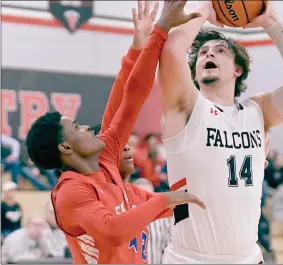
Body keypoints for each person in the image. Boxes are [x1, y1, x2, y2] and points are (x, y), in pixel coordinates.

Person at [25, 1, 205, 264]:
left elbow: (131, 97)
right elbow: (112, 231)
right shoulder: (71, 193)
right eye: (76, 128)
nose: (86, 126)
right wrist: (167, 199)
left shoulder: (107, 158)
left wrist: (152, 38)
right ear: (65, 147)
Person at [158, 0, 283, 263]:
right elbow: (173, 49)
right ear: (195, 73)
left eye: (219, 50)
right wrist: (206, 10)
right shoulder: (185, 108)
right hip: (189, 259)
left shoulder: (256, 112)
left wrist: (272, 24)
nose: (208, 55)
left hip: (247, 257)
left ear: (237, 69)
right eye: (202, 53)